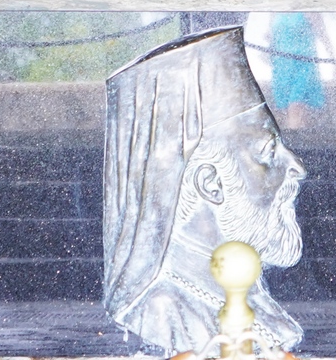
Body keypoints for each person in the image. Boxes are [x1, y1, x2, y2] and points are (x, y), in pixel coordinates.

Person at [102, 28, 307, 356]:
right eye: (268, 151)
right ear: (211, 183)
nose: (297, 167)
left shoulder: (243, 300)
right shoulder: (166, 314)